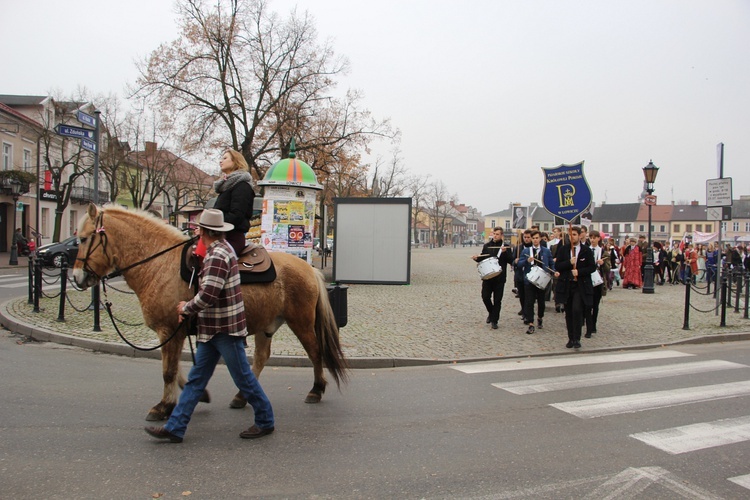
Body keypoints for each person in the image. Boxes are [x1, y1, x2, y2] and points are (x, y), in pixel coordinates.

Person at [144, 209, 275, 443]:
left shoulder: (217, 256)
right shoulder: (221, 250)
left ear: (204, 231)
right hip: (212, 328)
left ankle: (266, 420)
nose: (196, 232)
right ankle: (176, 427)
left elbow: (208, 295)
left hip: (224, 328)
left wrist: (186, 307)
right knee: (195, 380)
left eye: (198, 229)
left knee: (243, 378)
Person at [554, 226, 596, 349]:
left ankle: (577, 338)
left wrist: (579, 271)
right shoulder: (563, 249)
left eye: (575, 235)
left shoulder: (586, 250)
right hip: (567, 284)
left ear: (579, 236)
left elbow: (591, 267)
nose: (572, 237)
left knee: (577, 310)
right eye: (570, 234)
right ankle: (571, 337)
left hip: (580, 286)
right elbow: (558, 265)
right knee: (569, 312)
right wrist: (569, 263)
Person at [212, 149, 256, 256]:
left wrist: (212, 223)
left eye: (225, 158)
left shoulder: (242, 186)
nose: (220, 161)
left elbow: (236, 215)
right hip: (218, 235)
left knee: (216, 258)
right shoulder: (226, 186)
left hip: (232, 237)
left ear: (235, 162)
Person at [472, 227, 514, 330]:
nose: (495, 236)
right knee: (485, 297)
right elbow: (483, 258)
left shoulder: (506, 247)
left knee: (497, 300)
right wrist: (476, 258)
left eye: (497, 234)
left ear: (501, 235)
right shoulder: (487, 246)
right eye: (494, 234)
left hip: (500, 278)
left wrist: (505, 253)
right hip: (488, 277)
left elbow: (511, 260)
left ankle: (495, 320)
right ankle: (491, 313)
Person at [517, 230, 553, 335]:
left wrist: (554, 271)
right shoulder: (526, 251)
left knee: (541, 302)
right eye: (533, 238)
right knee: (529, 302)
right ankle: (531, 323)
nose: (535, 240)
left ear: (540, 239)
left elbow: (551, 263)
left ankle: (540, 317)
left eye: (537, 238)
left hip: (542, 280)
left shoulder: (546, 251)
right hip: (529, 280)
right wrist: (526, 261)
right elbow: (519, 265)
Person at [584, 230, 610, 338]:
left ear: (599, 239)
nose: (593, 239)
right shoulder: (585, 250)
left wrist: (603, 264)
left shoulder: (603, 252)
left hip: (598, 282)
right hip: (587, 281)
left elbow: (608, 268)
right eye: (591, 237)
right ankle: (589, 328)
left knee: (595, 305)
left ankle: (593, 324)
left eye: (595, 237)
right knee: (587, 305)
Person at [513, 230, 533, 321]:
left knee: (529, 296)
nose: (526, 239)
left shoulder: (534, 248)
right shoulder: (518, 248)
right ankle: (524, 312)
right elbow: (512, 260)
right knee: (522, 295)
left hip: (530, 275)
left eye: (528, 237)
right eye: (525, 237)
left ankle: (528, 314)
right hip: (520, 275)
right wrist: (515, 261)